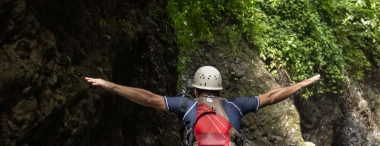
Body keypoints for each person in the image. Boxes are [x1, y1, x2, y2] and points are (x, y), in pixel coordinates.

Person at [85, 66, 321, 145]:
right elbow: (271, 96)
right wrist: (299, 85)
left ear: (195, 89)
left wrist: (110, 85)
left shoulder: (186, 105)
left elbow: (147, 98)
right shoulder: (236, 105)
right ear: (221, 90)